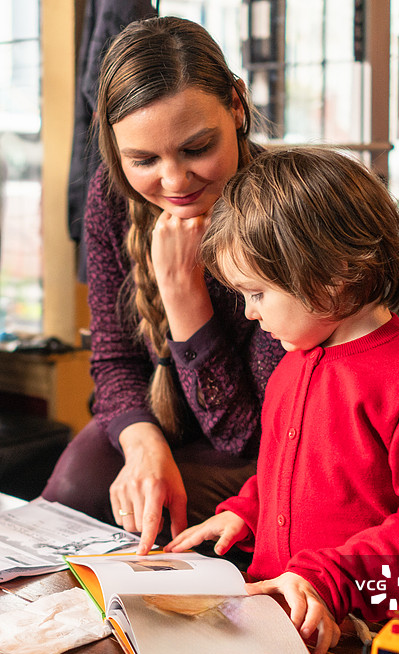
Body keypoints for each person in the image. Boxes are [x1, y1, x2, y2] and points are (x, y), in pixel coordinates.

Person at [164, 146, 399, 654]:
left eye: (257, 294)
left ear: (334, 277)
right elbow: (297, 475)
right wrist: (248, 511)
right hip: (281, 617)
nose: (249, 314)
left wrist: (334, 577)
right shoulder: (292, 366)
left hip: (370, 640)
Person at [42, 17, 284, 556]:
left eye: (197, 148)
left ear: (237, 107)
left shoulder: (279, 215)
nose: (173, 182)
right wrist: (141, 441)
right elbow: (112, 359)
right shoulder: (112, 195)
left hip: (261, 451)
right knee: (70, 495)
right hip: (167, 418)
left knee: (134, 521)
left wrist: (183, 296)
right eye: (144, 160)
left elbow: (245, 436)